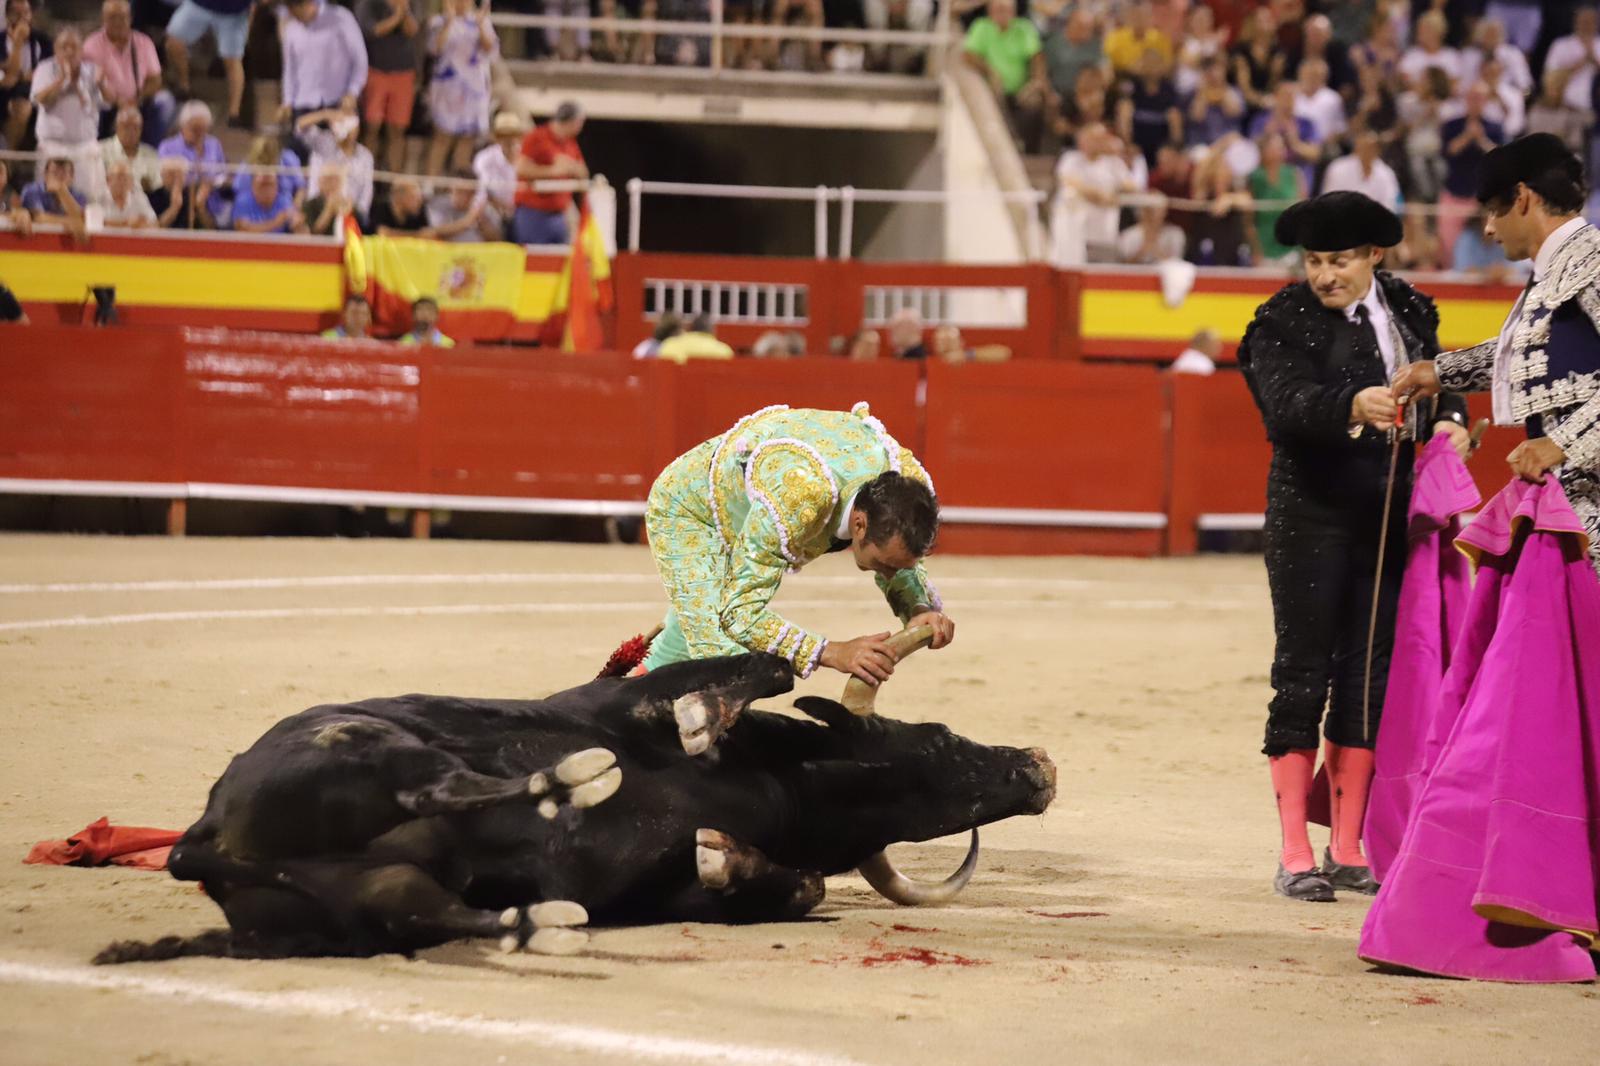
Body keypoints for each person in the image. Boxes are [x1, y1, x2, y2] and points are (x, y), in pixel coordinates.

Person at [1237, 192, 1471, 904]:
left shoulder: (1411, 310)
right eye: (1312, 261)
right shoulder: (1281, 320)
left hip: (1387, 513)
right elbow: (1281, 405)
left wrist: (1457, 422)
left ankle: (1346, 842)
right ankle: (1292, 848)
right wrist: (1348, 404)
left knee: (1369, 673)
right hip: (1310, 513)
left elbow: (1443, 382)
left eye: (1338, 260)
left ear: (1375, 255)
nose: (1323, 275)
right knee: (1302, 671)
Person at [1394, 134, 1600, 576]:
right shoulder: (1558, 269)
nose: (1488, 228)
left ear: (1523, 198)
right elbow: (1532, 351)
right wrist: (1440, 372)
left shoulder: (1591, 261)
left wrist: (1561, 444)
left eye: (1493, 209)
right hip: (1570, 501)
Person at [639, 403, 953, 684]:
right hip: (692, 509)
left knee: (692, 635)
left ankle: (619, 706)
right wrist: (832, 652)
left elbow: (901, 561)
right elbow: (740, 614)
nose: (888, 574)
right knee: (723, 662)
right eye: (884, 565)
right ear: (859, 524)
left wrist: (917, 607)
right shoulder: (802, 493)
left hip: (755, 510)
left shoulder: (907, 490)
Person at [83, 0, 174, 145]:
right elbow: (91, 82)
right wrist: (117, 101)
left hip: (138, 100)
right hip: (106, 103)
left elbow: (155, 80)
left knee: (165, 101)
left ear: (130, 18)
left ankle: (150, 151)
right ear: (103, 19)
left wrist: (136, 99)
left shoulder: (144, 42)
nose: (118, 22)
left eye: (122, 17)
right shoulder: (91, 45)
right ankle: (100, 151)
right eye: (112, 17)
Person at [424, 0, 497, 176]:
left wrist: (480, 26)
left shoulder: (482, 21)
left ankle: (458, 185)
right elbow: (435, 48)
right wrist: (449, 22)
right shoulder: (439, 22)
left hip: (474, 88)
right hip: (447, 88)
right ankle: (431, 184)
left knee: (467, 137)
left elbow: (491, 49)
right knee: (442, 137)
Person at [278, 0, 368, 128]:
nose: (294, 17)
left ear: (308, 4)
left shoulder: (342, 18)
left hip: (338, 102)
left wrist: (352, 91)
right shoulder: (291, 29)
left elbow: (360, 60)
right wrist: (288, 101)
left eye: (296, 13)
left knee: (339, 148)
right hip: (303, 105)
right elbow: (290, 69)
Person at [164, 0, 251, 126]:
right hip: (200, 4)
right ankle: (184, 87)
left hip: (234, 13)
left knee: (232, 60)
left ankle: (234, 114)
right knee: (173, 43)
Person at [358, 0, 420, 174]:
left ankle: (394, 177)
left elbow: (412, 30)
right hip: (376, 70)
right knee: (372, 126)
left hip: (403, 73)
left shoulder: (408, 4)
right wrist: (396, 17)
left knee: (398, 129)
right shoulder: (368, 4)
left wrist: (404, 12)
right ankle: (367, 173)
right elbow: (372, 31)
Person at [512, 101, 586, 245]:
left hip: (559, 215)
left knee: (559, 262)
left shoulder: (570, 143)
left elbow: (583, 171)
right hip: (533, 214)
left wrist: (571, 167)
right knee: (534, 261)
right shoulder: (537, 137)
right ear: (573, 122)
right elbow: (521, 168)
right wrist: (552, 171)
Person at [3, 0, 52, 153]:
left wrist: (18, 76)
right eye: (17, 14)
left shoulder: (42, 40)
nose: (22, 18)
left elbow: (46, 72)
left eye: (26, 13)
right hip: (4, 92)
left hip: (33, 92)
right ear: (7, 16)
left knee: (23, 107)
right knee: (16, 106)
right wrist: (17, 43)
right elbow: (8, 79)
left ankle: (10, 159)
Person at [426, 170, 503, 241]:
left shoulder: (484, 209)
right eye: (457, 191)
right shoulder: (439, 204)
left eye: (466, 193)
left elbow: (498, 240)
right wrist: (468, 221)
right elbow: (436, 233)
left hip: (477, 253)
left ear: (474, 194)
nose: (460, 197)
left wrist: (483, 223)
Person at [473, 110, 523, 219]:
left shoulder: (527, 157)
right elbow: (481, 191)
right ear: (496, 137)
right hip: (493, 210)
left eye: (512, 134)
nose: (508, 139)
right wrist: (501, 206)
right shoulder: (484, 158)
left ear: (519, 136)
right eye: (502, 135)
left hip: (524, 210)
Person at [98, 104, 160, 189]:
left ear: (141, 130)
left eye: (135, 128)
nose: (131, 132)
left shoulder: (151, 154)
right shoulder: (100, 150)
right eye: (126, 127)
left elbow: (157, 186)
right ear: (116, 127)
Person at [96, 156, 156, 227]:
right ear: (108, 180)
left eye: (127, 178)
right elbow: (92, 223)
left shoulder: (139, 197)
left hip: (132, 238)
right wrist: (125, 223)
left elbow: (155, 224)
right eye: (119, 177)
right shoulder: (98, 197)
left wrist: (142, 225)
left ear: (132, 182)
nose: (123, 181)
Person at [658, 313, 735, 361]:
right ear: (712, 331)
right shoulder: (724, 351)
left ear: (691, 328)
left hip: (679, 386)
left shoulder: (670, 344)